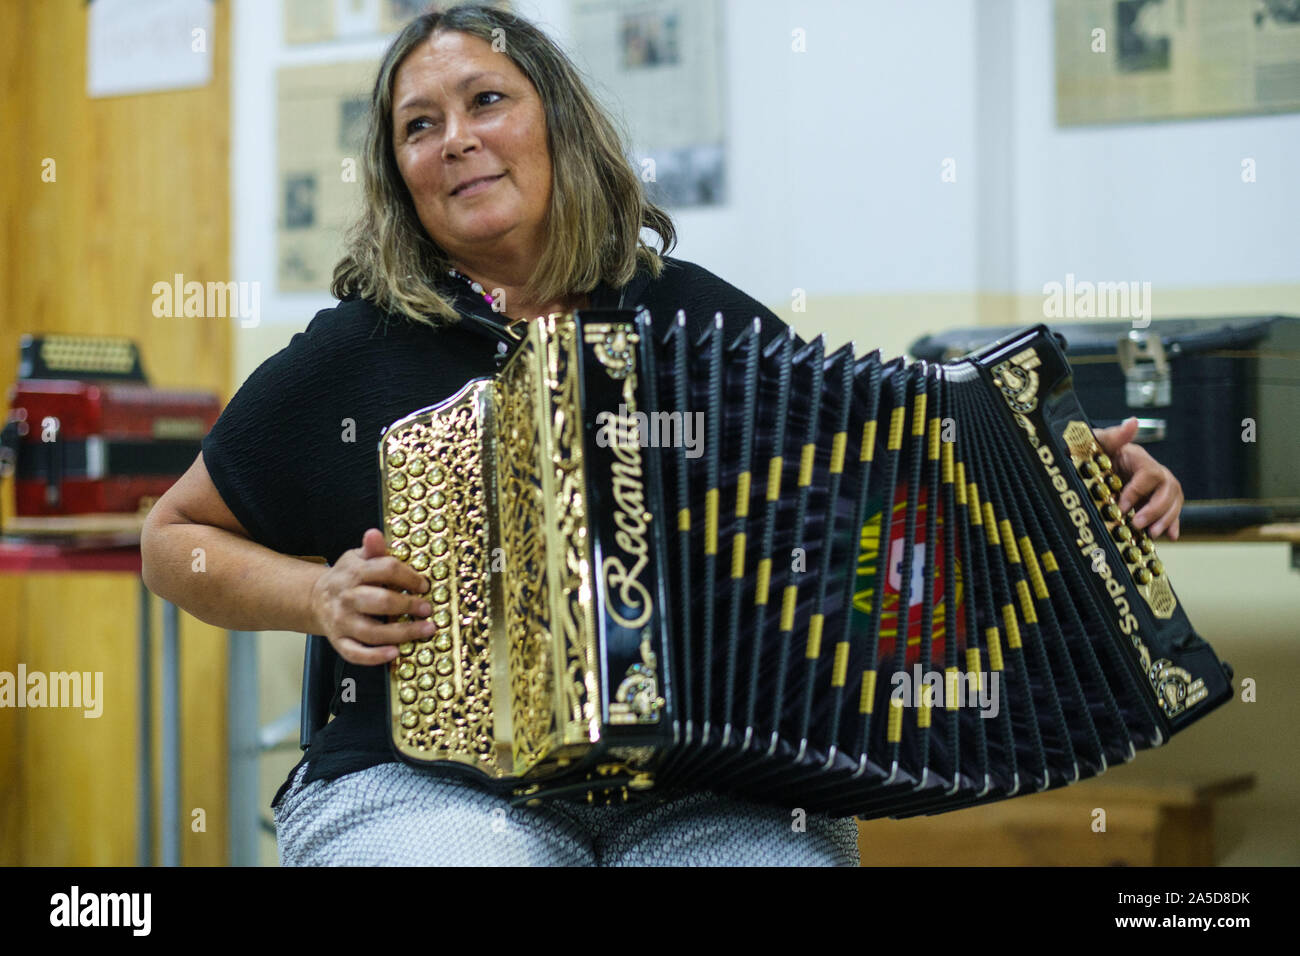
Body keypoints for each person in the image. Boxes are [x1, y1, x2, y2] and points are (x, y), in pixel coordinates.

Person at [140, 3, 1185, 867]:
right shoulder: (359, 349)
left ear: (558, 123)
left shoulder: (700, 323)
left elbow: (889, 499)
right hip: (428, 782)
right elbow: (172, 540)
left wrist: (1086, 493)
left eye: (486, 100)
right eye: (419, 124)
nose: (454, 137)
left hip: (713, 788)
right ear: (399, 174)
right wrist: (315, 594)